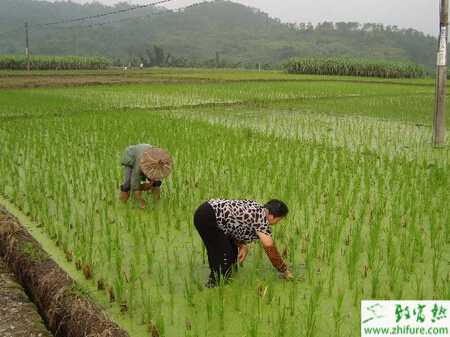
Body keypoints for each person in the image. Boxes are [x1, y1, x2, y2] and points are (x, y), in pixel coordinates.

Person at [194, 199, 293, 287]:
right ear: (271, 216)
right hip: (207, 217)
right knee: (224, 255)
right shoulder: (261, 220)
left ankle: (226, 277)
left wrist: (242, 245)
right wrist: (284, 271)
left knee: (232, 252)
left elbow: (234, 224)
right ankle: (215, 283)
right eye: (279, 219)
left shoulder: (257, 208)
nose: (277, 222)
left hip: (208, 212)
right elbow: (270, 249)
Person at [119, 144, 172, 208]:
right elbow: (135, 179)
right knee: (127, 184)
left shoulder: (158, 157)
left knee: (156, 182)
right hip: (130, 158)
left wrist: (151, 183)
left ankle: (157, 201)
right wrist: (140, 200)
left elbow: (155, 174)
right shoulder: (140, 162)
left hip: (147, 157)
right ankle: (122, 204)